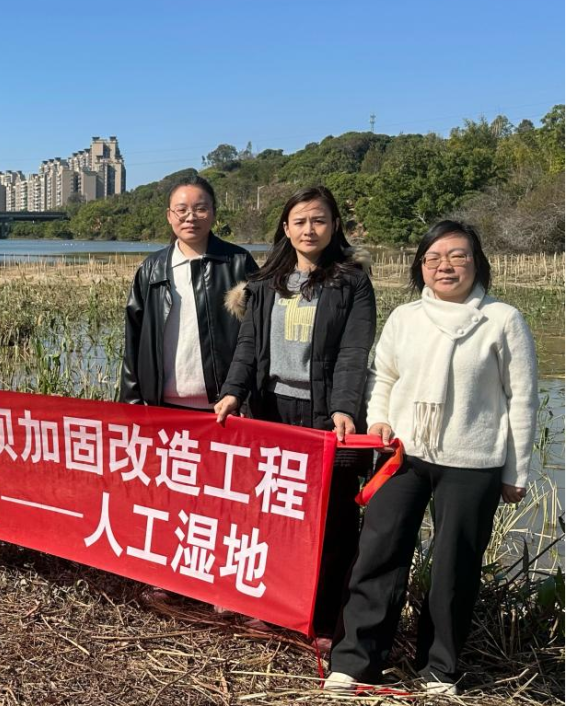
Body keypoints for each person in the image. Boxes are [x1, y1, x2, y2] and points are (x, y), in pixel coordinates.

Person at [325, 220, 538, 695]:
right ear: (420, 266)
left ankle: (439, 668)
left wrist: (516, 470)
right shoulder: (406, 317)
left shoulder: (502, 319)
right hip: (403, 453)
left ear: (477, 263)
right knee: (378, 554)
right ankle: (355, 661)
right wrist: (379, 422)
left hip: (473, 462)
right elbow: (383, 377)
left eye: (458, 256)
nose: (446, 266)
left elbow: (522, 398)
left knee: (454, 568)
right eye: (434, 258)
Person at [214, 186, 376, 641]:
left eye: (318, 220)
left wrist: (344, 406)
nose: (309, 229)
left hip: (325, 414)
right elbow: (248, 345)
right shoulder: (266, 282)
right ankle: (271, 605)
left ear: (335, 226)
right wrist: (232, 392)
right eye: (300, 221)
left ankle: (323, 619)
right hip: (271, 411)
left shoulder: (352, 282)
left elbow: (354, 351)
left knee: (333, 518)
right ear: (285, 228)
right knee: (272, 510)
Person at [120, 174, 259, 409]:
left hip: (225, 407)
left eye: (200, 209)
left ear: (213, 213)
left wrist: (245, 399)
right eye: (181, 210)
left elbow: (257, 336)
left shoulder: (238, 262)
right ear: (169, 216)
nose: (190, 217)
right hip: (161, 405)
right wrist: (131, 402)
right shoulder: (151, 269)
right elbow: (133, 340)